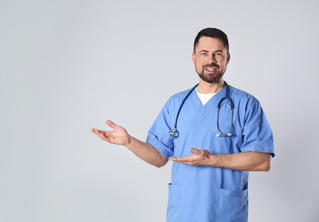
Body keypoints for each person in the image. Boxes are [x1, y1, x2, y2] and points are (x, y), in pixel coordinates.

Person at [91, 28, 275, 222]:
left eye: (217, 54)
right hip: (183, 212)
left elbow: (263, 161)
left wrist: (213, 159)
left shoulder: (247, 104)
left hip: (224, 213)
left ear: (227, 59)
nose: (210, 60)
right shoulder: (176, 104)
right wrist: (129, 141)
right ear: (194, 57)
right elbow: (159, 158)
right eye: (204, 53)